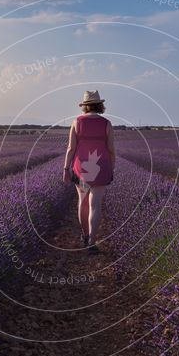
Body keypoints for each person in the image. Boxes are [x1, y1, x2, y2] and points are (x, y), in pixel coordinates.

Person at [62, 90, 115, 254]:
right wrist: (111, 167)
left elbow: (71, 148)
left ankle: (85, 236)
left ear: (84, 106)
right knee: (95, 205)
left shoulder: (76, 122)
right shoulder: (107, 123)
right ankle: (92, 240)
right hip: (101, 167)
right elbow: (111, 149)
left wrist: (66, 168)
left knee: (82, 202)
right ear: (100, 105)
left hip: (81, 168)